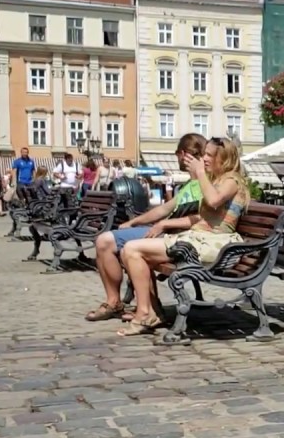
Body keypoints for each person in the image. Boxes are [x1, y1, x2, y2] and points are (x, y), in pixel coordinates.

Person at [115, 137, 250, 336]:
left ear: (224, 159)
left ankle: (145, 313)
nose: (204, 159)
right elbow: (201, 216)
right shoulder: (217, 180)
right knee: (130, 251)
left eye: (209, 155)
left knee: (132, 249)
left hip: (216, 246)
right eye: (204, 154)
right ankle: (149, 311)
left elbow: (213, 201)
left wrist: (200, 174)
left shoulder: (232, 180)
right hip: (200, 239)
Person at [85, 134, 208, 323]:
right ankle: (115, 302)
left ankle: (134, 305)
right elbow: (164, 209)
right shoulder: (190, 185)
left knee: (109, 242)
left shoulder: (204, 183)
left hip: (176, 237)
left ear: (183, 154)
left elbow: (201, 217)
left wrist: (164, 224)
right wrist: (134, 222)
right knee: (103, 241)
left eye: (177, 155)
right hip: (166, 233)